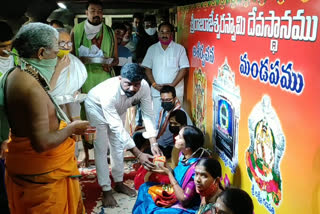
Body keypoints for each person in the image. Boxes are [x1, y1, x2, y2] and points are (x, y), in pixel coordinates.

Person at [3, 22, 89, 213]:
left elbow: (45, 94)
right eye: (56, 51)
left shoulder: (19, 73)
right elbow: (42, 142)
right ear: (41, 53)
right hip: (43, 173)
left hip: (29, 167)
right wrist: (72, 128)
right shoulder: (31, 89)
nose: (58, 56)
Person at [84, 63, 162, 208]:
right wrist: (138, 154)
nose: (132, 88)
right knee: (102, 147)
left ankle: (118, 183)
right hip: (96, 107)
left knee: (118, 145)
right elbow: (116, 127)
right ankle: (106, 189)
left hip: (118, 109)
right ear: (120, 78)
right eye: (128, 84)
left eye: (136, 84)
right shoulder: (109, 93)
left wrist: (153, 142)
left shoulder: (144, 86)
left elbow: (148, 114)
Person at [72, 0, 118, 167]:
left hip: (104, 79)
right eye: (93, 11)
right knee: (86, 116)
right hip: (84, 79)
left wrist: (110, 63)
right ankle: (85, 153)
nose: (96, 14)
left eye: (99, 11)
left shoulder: (109, 32)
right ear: (86, 13)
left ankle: (104, 152)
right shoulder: (76, 30)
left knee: (105, 114)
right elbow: (70, 58)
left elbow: (116, 59)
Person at [133, 125, 210, 214]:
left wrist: (169, 173)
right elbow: (177, 174)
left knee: (153, 210)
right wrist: (164, 166)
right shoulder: (183, 154)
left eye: (180, 137)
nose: (176, 137)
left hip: (185, 204)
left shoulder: (195, 171)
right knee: (144, 187)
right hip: (175, 189)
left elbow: (184, 200)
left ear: (187, 147)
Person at [133, 109, 188, 190]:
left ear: (182, 124)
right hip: (171, 158)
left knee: (150, 170)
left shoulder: (185, 139)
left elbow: (177, 165)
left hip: (176, 171)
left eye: (175, 123)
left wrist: (165, 168)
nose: (172, 126)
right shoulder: (176, 136)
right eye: (171, 123)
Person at [142, 22, 190, 116]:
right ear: (158, 33)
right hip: (157, 92)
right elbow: (147, 68)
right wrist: (154, 85)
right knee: (158, 118)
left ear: (172, 33)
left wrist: (172, 86)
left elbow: (184, 69)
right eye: (162, 32)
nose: (164, 35)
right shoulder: (152, 49)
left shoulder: (179, 49)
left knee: (175, 119)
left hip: (175, 92)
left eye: (167, 32)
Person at [133, 85, 192, 159]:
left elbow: (189, 133)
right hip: (159, 140)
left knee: (148, 152)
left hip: (169, 146)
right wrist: (152, 141)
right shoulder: (162, 109)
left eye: (168, 100)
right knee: (137, 137)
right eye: (163, 100)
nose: (165, 102)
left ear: (174, 99)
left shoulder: (179, 113)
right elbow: (155, 126)